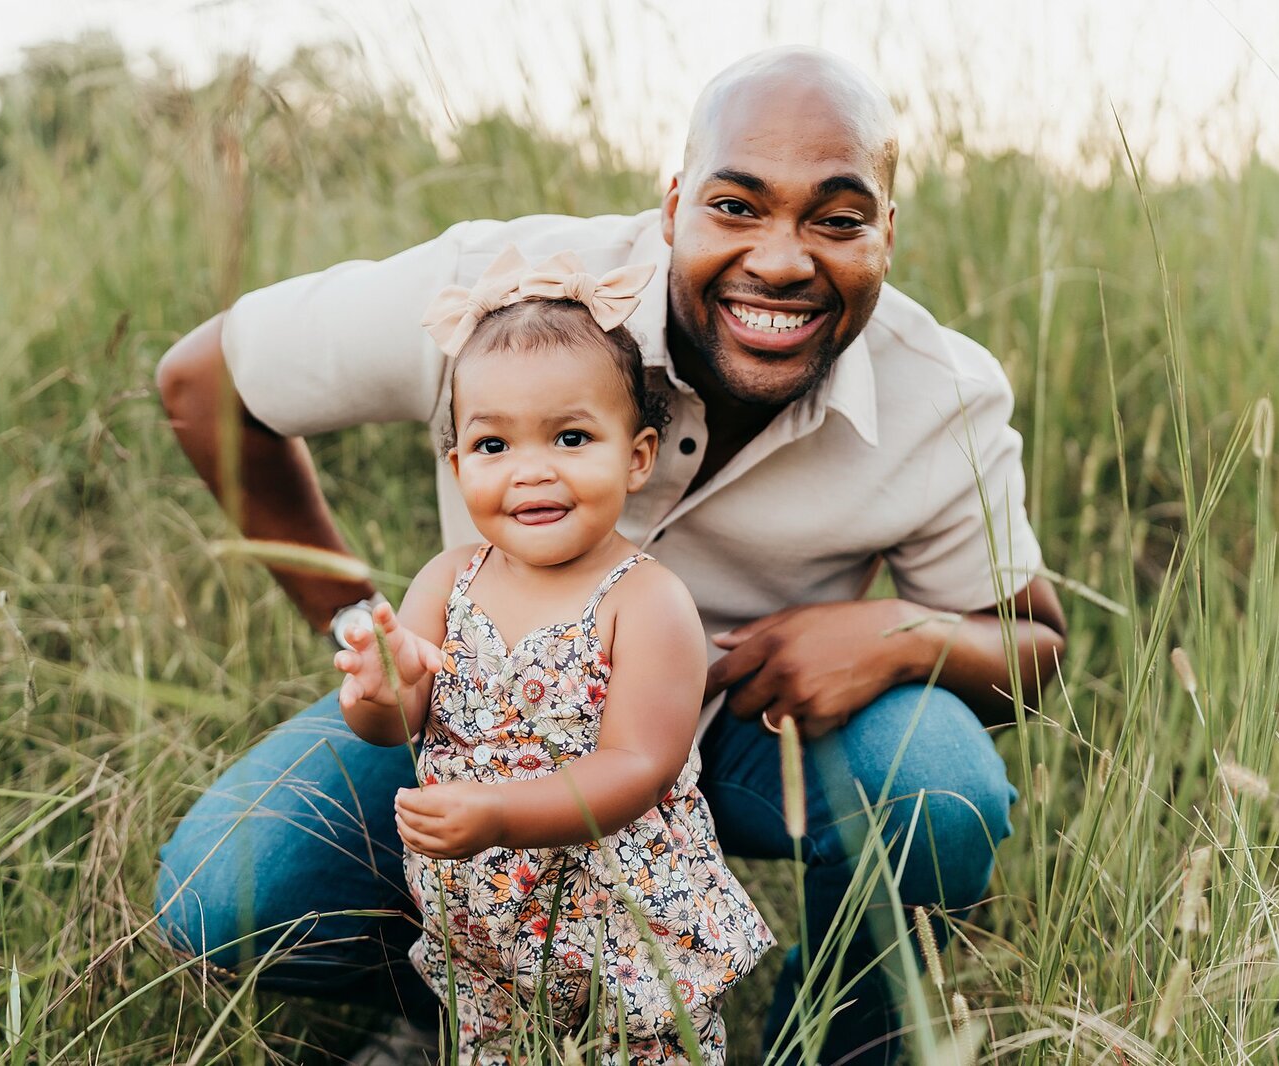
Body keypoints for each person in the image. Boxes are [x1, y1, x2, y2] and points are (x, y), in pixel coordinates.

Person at [154, 46, 1066, 1065]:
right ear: (674, 201)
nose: (779, 260)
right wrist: (368, 632)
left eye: (838, 218)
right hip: (486, 721)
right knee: (229, 886)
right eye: (735, 205)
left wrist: (902, 631)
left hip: (747, 731)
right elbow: (202, 382)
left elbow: (1033, 647)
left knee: (939, 783)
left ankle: (831, 1040)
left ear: (887, 232)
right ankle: (455, 993)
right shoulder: (504, 298)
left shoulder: (940, 393)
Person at [331, 248, 774, 1063]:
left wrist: (498, 815)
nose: (532, 471)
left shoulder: (647, 601)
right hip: (482, 917)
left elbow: (637, 767)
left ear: (637, 456)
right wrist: (378, 685)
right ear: (458, 462)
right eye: (494, 447)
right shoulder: (447, 580)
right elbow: (395, 725)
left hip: (619, 917)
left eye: (571, 437)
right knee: (495, 1043)